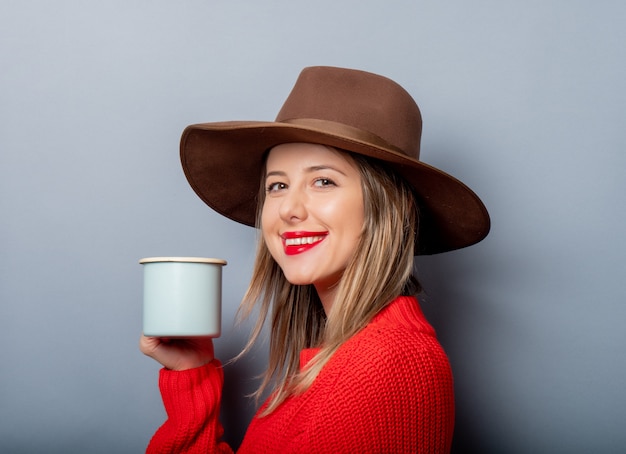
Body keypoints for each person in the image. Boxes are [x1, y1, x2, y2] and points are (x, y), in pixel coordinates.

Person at [139, 66, 490, 453]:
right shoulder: (340, 359)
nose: (289, 208)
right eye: (277, 185)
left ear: (391, 208)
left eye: (323, 181)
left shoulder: (385, 368)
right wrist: (191, 375)